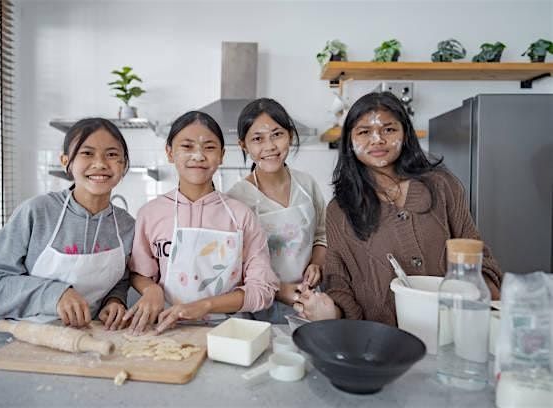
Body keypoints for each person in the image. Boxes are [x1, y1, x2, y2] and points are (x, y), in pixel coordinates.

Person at [297, 92, 503, 324]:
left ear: (405, 134)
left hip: (452, 328)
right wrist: (330, 311)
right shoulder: (340, 210)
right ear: (349, 142)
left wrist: (483, 290)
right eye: (364, 132)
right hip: (382, 341)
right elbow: (339, 282)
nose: (377, 140)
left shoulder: (442, 186)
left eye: (388, 129)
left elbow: (475, 252)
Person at [0, 118, 135, 330]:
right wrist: (55, 294)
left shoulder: (126, 225)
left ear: (124, 165)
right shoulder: (37, 212)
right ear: (66, 161)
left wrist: (114, 301)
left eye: (112, 155)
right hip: (24, 341)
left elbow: (119, 281)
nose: (100, 163)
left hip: (89, 341)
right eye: (87, 153)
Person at [125, 111, 279, 334]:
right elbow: (140, 273)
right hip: (166, 328)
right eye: (187, 147)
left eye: (209, 147)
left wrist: (206, 305)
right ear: (169, 152)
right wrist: (151, 291)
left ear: (222, 155)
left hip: (229, 330)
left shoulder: (241, 215)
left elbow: (262, 290)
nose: (198, 156)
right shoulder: (150, 214)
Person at [226, 98, 327, 323]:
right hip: (260, 305)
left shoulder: (307, 184)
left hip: (309, 301)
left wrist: (317, 264)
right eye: (257, 139)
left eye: (277, 134)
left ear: (289, 135)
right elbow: (234, 265)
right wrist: (280, 290)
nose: (270, 146)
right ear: (243, 145)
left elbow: (322, 235)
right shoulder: (236, 198)